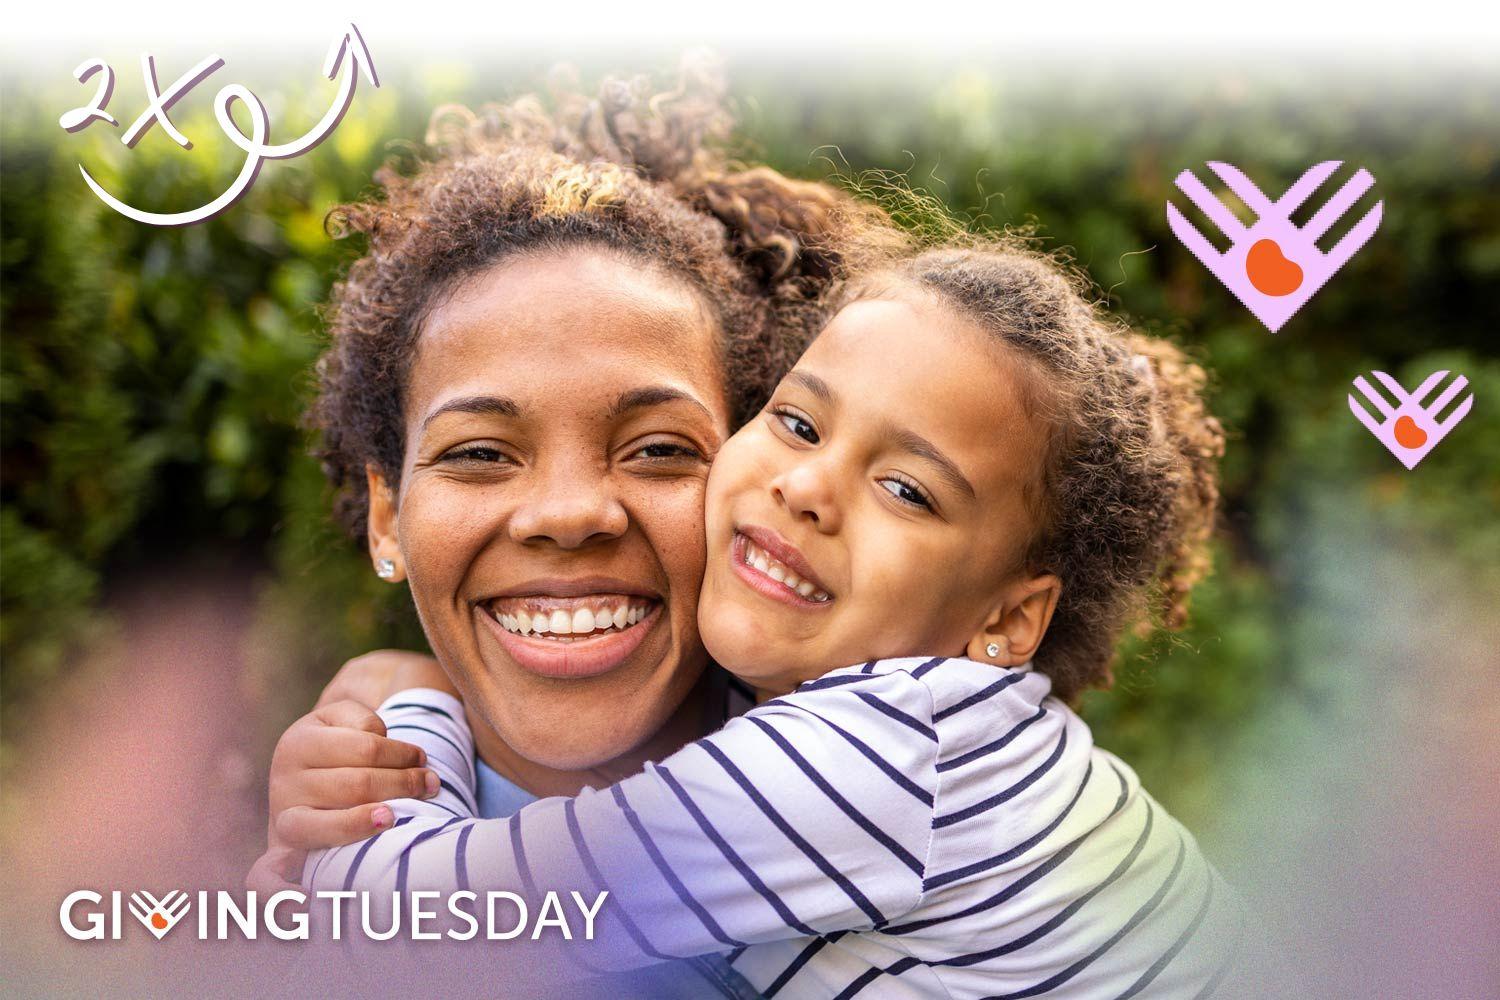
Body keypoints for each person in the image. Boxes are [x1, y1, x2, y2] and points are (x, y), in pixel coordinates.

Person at [297, 235, 1246, 998]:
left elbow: (406, 926)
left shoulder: (872, 758)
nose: (808, 489)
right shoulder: (914, 734)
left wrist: (404, 715)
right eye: (799, 423)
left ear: (1007, 617)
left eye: (908, 490)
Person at [247, 60, 892, 997]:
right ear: (389, 517)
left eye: (661, 449)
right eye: (477, 453)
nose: (569, 513)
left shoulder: (869, 794)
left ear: (757, 483)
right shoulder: (351, 831)